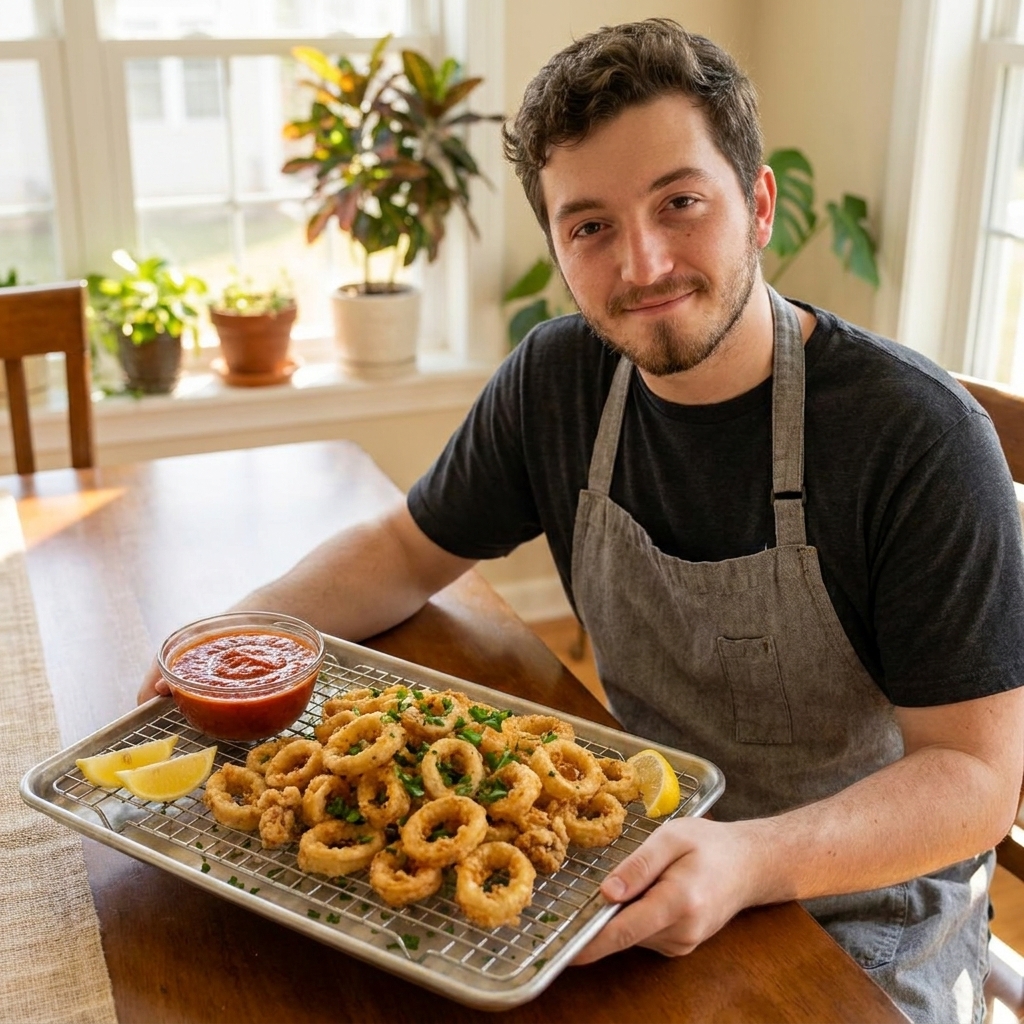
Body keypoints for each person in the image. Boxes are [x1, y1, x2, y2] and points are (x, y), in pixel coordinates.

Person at [140, 19, 1024, 1023]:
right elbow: (400, 549)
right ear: (559, 246)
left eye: (679, 203)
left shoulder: (911, 435)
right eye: (590, 225)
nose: (642, 263)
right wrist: (232, 639)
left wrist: (747, 858)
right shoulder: (559, 381)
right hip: (616, 863)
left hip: (861, 912)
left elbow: (974, 778)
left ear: (759, 203)